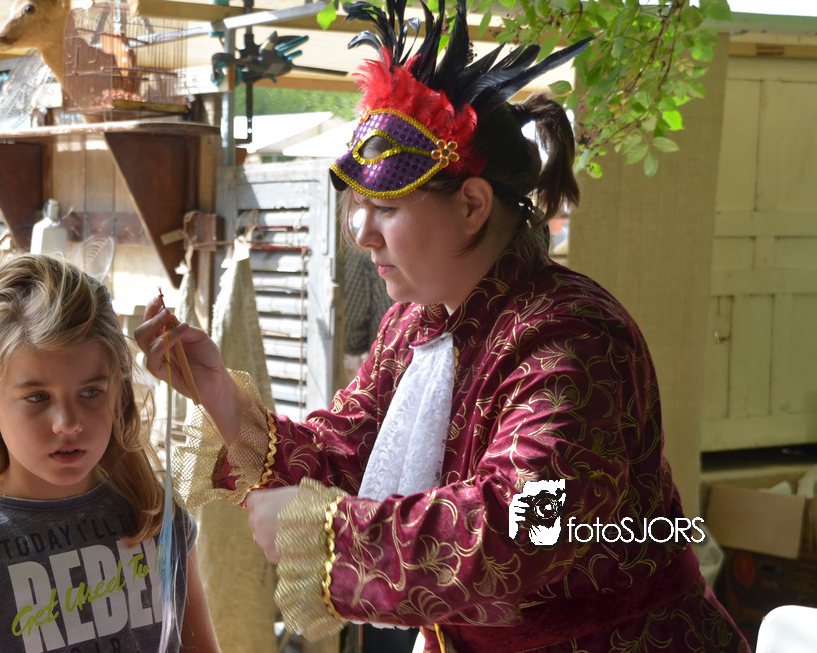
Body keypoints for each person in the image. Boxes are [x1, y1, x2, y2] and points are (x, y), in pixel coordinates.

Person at [133, 1, 752, 651]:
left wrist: (333, 535)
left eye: (387, 205)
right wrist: (220, 396)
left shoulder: (571, 340)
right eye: (358, 204)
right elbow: (348, 456)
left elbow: (524, 530)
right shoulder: (415, 326)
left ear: (473, 205)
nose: (361, 232)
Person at [0, 254, 220, 653]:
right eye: (37, 397)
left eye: (91, 392)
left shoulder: (156, 517)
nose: (68, 423)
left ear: (118, 394)